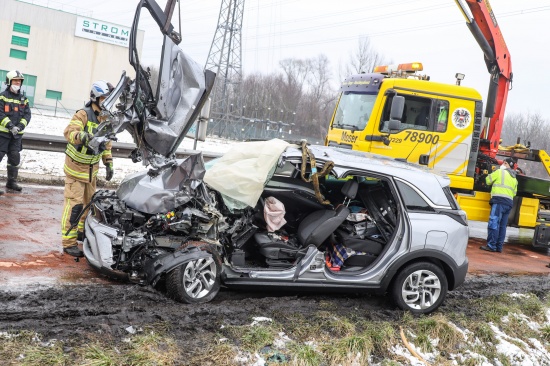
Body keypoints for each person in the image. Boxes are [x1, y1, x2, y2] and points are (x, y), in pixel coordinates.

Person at [61, 80, 114, 257]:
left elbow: (107, 144)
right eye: (103, 97)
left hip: (91, 172)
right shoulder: (83, 114)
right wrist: (82, 136)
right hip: (76, 170)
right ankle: (68, 242)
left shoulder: (106, 118)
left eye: (108, 98)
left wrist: (109, 163)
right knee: (74, 206)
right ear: (95, 97)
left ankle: (81, 234)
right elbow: (69, 133)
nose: (106, 101)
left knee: (88, 206)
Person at [0, 70, 31, 195]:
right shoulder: (2, 96)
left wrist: (19, 127)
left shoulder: (24, 99)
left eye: (19, 81)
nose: (18, 83)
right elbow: (0, 113)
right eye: (15, 80)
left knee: (14, 158)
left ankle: (11, 182)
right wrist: (10, 125)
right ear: (9, 82)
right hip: (2, 135)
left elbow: (27, 115)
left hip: (16, 135)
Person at [480, 157, 518, 253]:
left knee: (494, 222)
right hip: (508, 203)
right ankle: (499, 247)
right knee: (502, 226)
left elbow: (488, 180)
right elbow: (514, 193)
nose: (503, 164)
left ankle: (491, 246)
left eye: (504, 163)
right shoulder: (514, 178)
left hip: (499, 201)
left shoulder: (500, 172)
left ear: (506, 164)